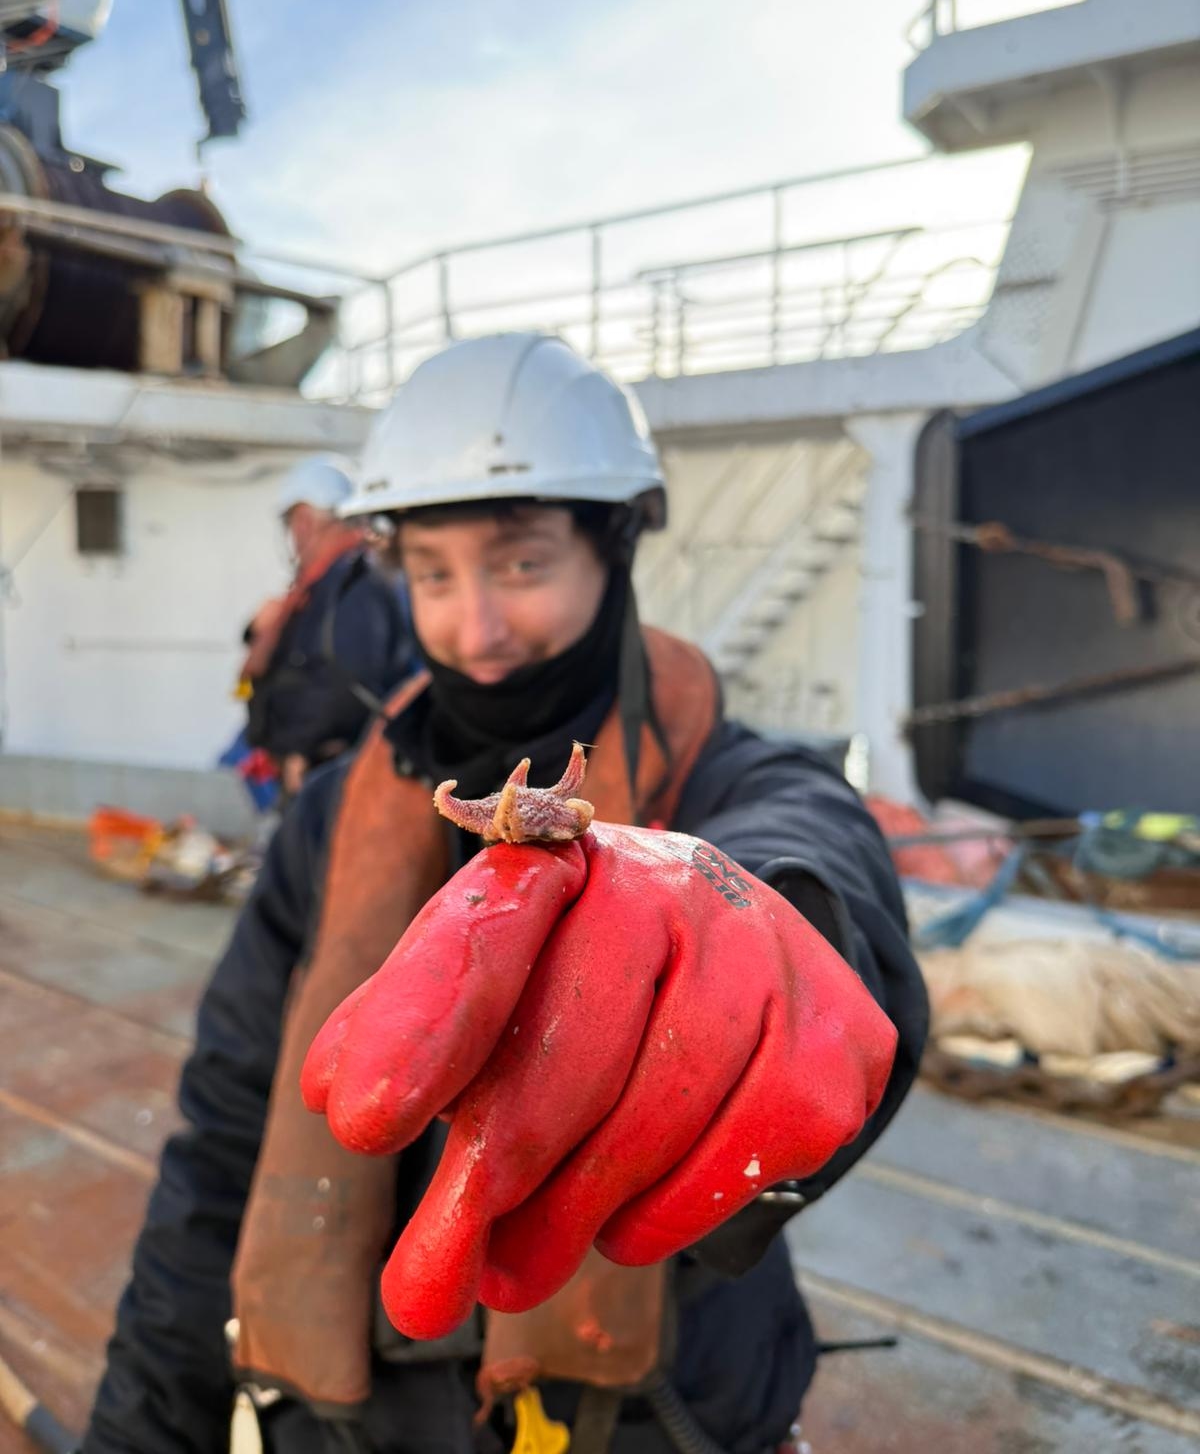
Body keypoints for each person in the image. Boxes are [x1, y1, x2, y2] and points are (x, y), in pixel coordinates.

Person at [83, 335, 927, 1454]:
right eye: (433, 572)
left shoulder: (735, 777)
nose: (473, 628)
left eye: (522, 564)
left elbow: (819, 857)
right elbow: (223, 1130)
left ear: (614, 548)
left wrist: (771, 922)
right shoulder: (333, 815)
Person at [239, 454, 418, 798]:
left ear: (305, 520)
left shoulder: (359, 580)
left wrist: (302, 750)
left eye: (292, 524)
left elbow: (348, 680)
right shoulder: (323, 586)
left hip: (332, 775)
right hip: (310, 772)